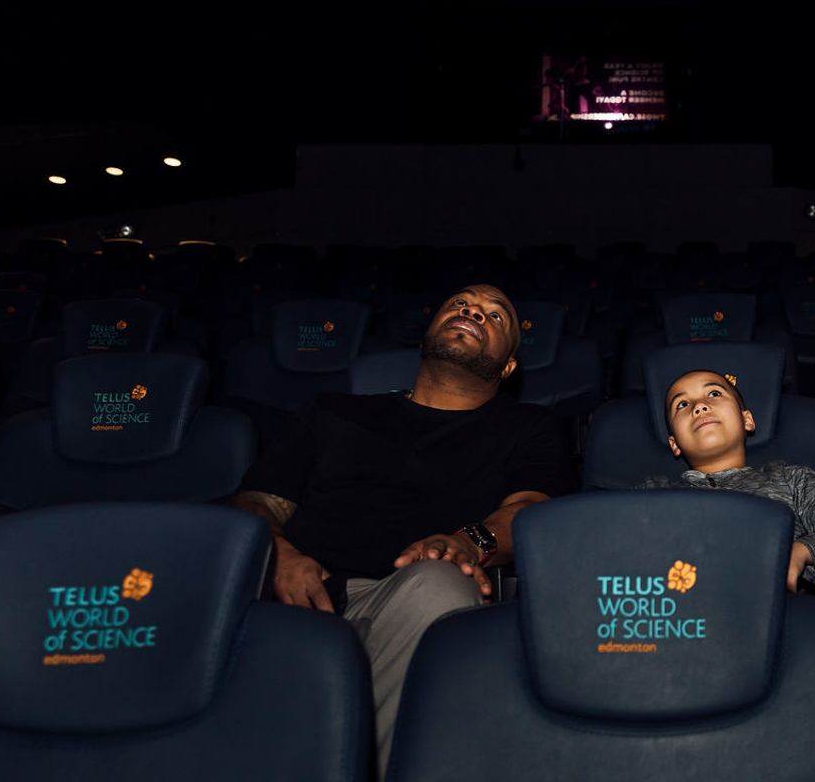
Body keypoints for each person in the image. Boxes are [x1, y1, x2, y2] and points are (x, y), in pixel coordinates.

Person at [232, 285, 575, 776]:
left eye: (496, 316)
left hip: (409, 597)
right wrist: (277, 554)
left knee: (438, 580)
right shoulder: (331, 411)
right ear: (426, 334)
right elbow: (258, 503)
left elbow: (530, 513)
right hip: (296, 596)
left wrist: (465, 542)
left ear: (507, 368)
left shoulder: (527, 427)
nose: (472, 310)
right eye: (459, 304)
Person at [643, 369, 815, 590]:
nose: (700, 406)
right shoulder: (652, 493)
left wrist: (800, 552)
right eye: (682, 404)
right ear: (674, 444)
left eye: (714, 394)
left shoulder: (789, 479)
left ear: (747, 420)